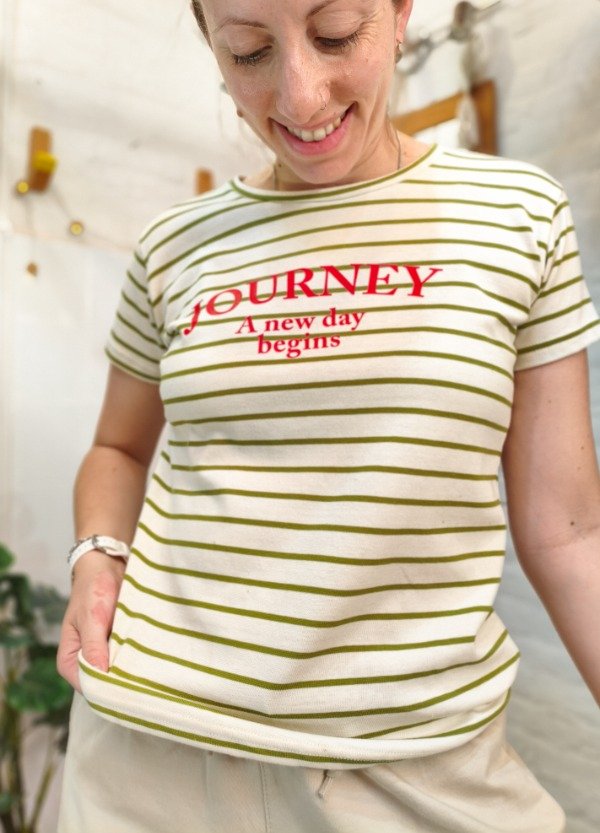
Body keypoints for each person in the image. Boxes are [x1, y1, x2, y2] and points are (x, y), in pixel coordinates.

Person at [56, 1, 600, 831]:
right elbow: (118, 448)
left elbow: (569, 533)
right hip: (146, 754)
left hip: (417, 764)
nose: (301, 96)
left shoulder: (517, 216)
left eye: (337, 33)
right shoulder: (175, 244)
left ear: (400, 12)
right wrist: (98, 553)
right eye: (249, 52)